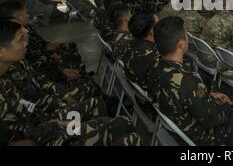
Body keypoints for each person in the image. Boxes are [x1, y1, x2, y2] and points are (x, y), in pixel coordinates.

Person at [0, 21, 142, 146]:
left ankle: (111, 110)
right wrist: (56, 116)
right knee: (125, 131)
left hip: (45, 125)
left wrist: (51, 120)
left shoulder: (5, 79)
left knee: (116, 120)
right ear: (2, 52)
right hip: (44, 136)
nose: (25, 43)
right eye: (19, 40)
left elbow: (25, 103)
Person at [148, 16, 233, 145]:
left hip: (177, 126)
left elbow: (183, 96)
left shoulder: (154, 68)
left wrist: (206, 95)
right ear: (181, 44)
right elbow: (212, 120)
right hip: (202, 136)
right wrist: (226, 104)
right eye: (186, 35)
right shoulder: (189, 82)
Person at [122, 11, 160, 92]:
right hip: (149, 101)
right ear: (152, 31)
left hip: (137, 93)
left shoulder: (129, 45)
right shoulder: (155, 56)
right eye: (159, 24)